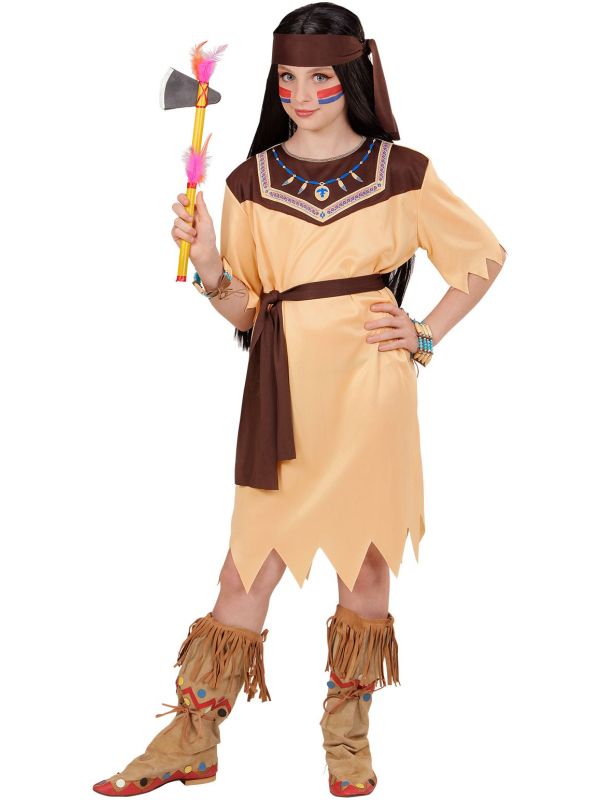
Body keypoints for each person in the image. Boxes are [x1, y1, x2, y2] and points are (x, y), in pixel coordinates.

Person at [92, 2, 507, 797]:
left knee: (367, 563)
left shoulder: (403, 171)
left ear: (354, 76)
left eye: (320, 77)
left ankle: (347, 735)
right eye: (288, 77)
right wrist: (209, 262)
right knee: (247, 567)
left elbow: (482, 256)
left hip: (370, 391)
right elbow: (246, 311)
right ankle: (192, 737)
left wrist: (424, 333)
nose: (302, 93)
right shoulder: (249, 183)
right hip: (282, 391)